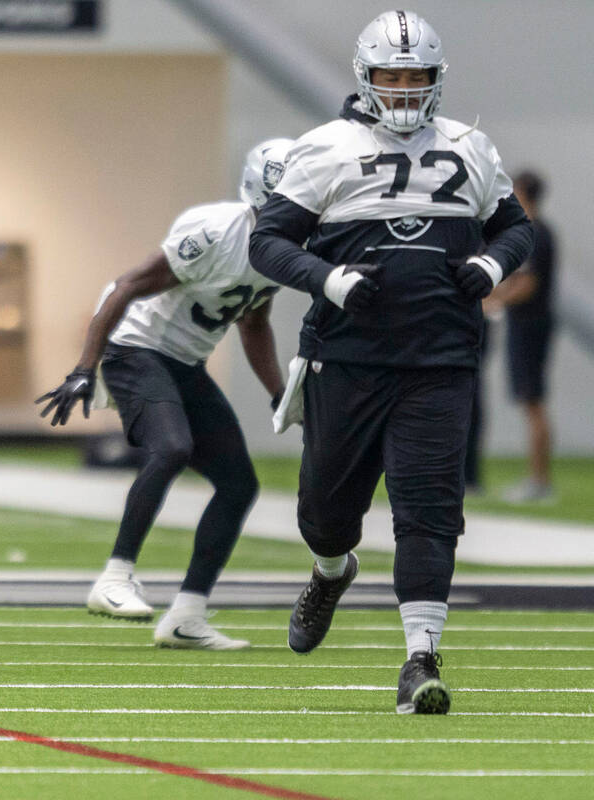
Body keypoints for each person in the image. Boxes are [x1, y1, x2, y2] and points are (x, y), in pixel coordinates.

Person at [250, 10, 534, 714]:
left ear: (438, 80)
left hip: (439, 360)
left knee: (429, 514)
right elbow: (268, 242)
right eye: (391, 76)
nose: (404, 89)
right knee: (325, 511)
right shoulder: (325, 148)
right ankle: (329, 571)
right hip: (346, 359)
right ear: (364, 78)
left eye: (416, 77)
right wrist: (328, 280)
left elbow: (516, 229)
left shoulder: (471, 146)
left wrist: (491, 265)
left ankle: (420, 660)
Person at [36, 139, 292, 651]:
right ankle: (113, 578)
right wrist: (85, 365)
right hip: (136, 349)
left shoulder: (287, 248)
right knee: (171, 447)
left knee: (239, 485)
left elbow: (254, 320)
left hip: (185, 363)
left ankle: (187, 615)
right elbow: (125, 285)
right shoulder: (217, 231)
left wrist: (279, 393)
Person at [485, 169, 558, 504]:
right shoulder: (539, 231)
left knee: (533, 402)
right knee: (531, 401)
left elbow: (527, 285)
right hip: (530, 324)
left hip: (530, 324)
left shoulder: (533, 233)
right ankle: (538, 480)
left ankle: (539, 482)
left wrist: (492, 300)